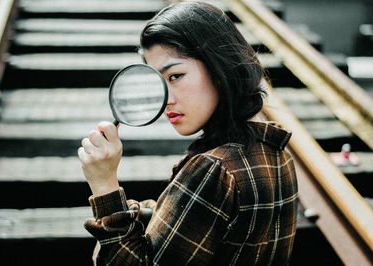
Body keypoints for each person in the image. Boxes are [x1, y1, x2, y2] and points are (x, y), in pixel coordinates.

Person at [78, 1, 298, 265]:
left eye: (175, 76)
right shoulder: (275, 149)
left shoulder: (213, 170)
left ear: (219, 68)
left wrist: (104, 186)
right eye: (159, 82)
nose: (166, 100)